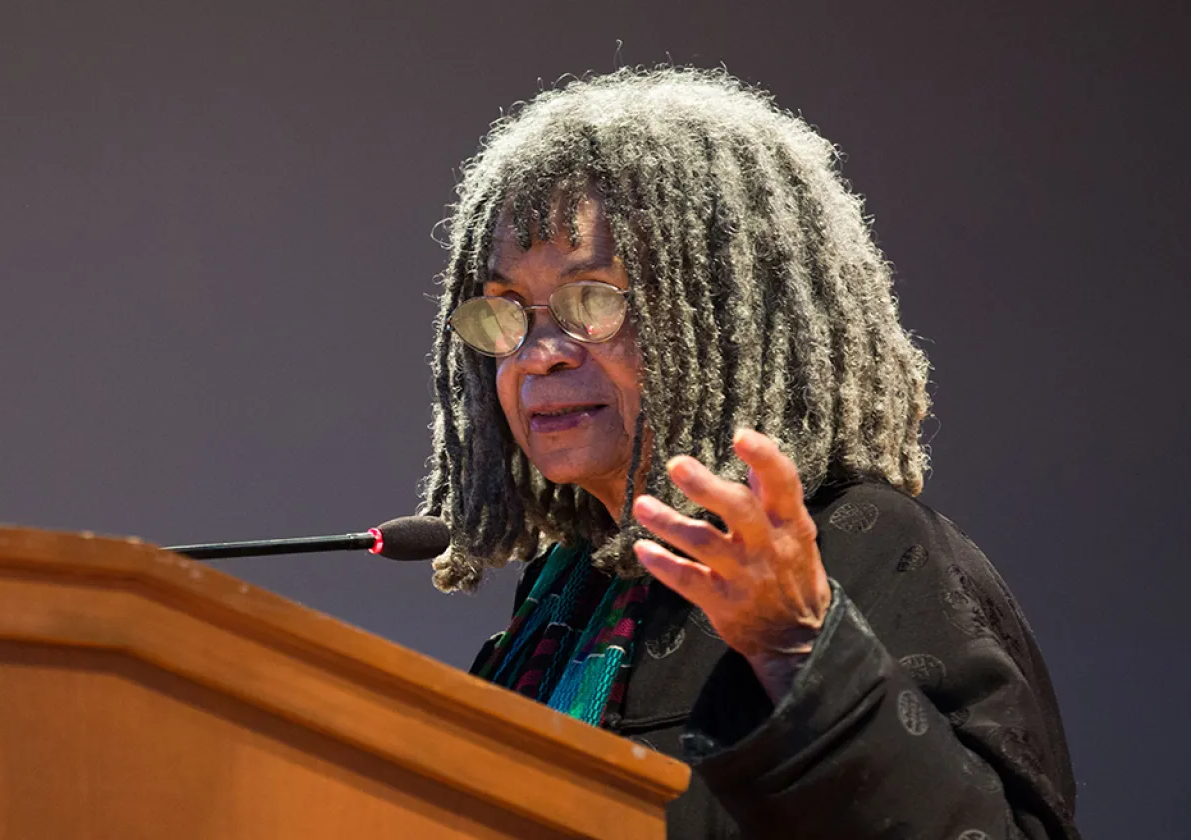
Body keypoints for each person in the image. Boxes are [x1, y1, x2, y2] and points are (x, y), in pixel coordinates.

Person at [420, 67, 1079, 839]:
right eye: (507, 309)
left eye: (592, 299)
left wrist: (800, 647)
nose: (538, 355)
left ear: (734, 313)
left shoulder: (872, 550)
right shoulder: (561, 595)